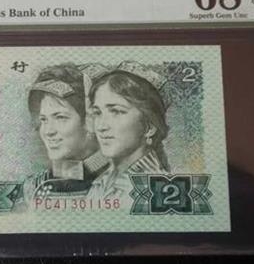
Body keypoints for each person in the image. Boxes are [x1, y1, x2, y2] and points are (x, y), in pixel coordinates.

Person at [87, 61, 170, 200]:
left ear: (149, 127)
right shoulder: (101, 182)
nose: (101, 127)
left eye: (116, 111)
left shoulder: (157, 189)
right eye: (97, 113)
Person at [24, 64, 108, 199]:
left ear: (89, 121)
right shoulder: (32, 188)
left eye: (60, 117)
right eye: (43, 119)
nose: (48, 131)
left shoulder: (122, 182)